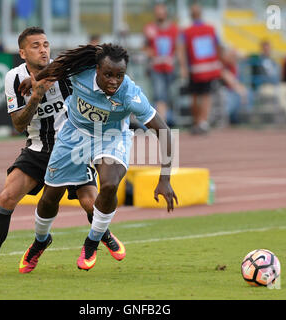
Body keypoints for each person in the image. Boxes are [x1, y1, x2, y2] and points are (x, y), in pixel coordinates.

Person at [0, 27, 123, 275]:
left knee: (90, 203)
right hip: (38, 148)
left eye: (46, 44)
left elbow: (96, 55)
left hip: (72, 148)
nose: (43, 49)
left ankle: (103, 233)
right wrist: (36, 96)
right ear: (22, 52)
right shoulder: (13, 78)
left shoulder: (64, 72)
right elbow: (18, 124)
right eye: (36, 45)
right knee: (6, 198)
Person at [18, 43, 178, 271]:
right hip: (74, 133)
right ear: (96, 70)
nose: (114, 81)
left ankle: (92, 241)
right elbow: (57, 67)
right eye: (108, 75)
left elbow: (164, 131)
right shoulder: (80, 72)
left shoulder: (130, 94)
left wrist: (165, 178)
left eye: (119, 75)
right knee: (50, 196)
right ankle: (40, 241)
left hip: (111, 137)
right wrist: (35, 77)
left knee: (111, 184)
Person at [177, 3, 222, 135]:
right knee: (206, 95)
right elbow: (218, 46)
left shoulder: (186, 31)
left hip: (195, 69)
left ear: (191, 15)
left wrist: (183, 67)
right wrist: (218, 62)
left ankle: (198, 121)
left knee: (195, 96)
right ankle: (203, 122)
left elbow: (181, 50)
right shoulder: (210, 29)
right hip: (208, 68)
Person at [143, 2, 178, 124]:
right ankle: (162, 121)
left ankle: (164, 119)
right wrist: (150, 55)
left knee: (167, 95)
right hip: (156, 67)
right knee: (159, 95)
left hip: (169, 67)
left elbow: (178, 47)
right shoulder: (150, 29)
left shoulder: (174, 29)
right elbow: (146, 47)